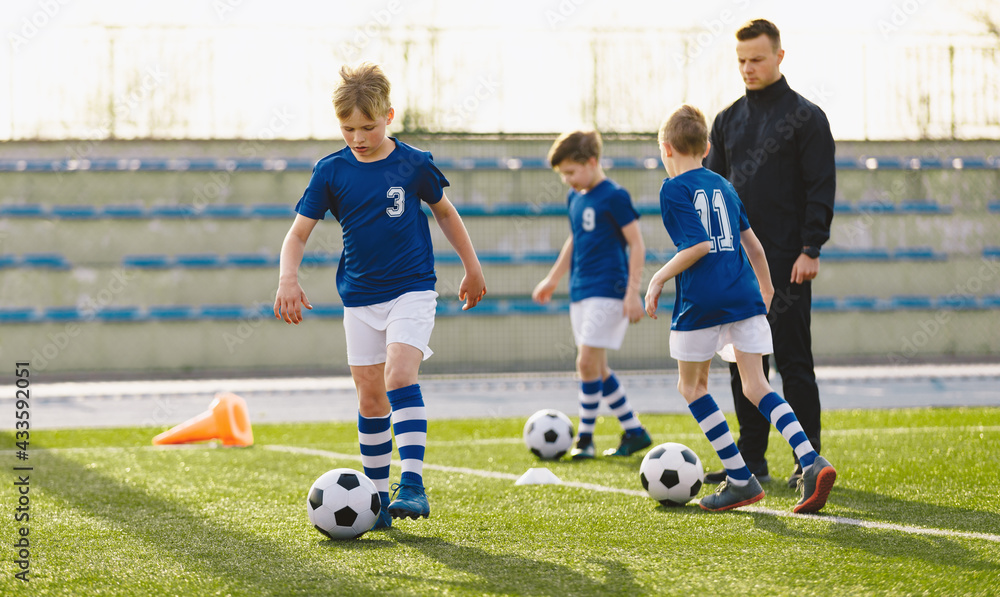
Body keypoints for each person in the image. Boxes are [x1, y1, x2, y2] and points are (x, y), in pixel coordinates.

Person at [273, 62, 487, 529]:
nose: (358, 137)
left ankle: (411, 484)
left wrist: (471, 267)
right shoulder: (329, 171)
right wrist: (288, 277)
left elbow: (446, 214)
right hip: (359, 299)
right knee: (370, 397)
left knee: (398, 373)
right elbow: (297, 235)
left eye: (368, 126)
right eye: (348, 128)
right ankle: (375, 501)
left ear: (389, 115)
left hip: (412, 289)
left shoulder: (414, 163)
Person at [645, 103, 835, 513]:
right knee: (757, 385)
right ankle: (810, 458)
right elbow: (755, 246)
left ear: (666, 148)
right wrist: (765, 289)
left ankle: (740, 478)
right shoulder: (726, 186)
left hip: (702, 302)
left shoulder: (672, 189)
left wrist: (658, 278)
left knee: (692, 387)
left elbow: (697, 246)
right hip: (746, 297)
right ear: (708, 146)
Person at [703, 19, 836, 488]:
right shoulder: (726, 120)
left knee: (794, 363)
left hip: (788, 263)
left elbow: (820, 187)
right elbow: (714, 190)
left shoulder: (807, 117)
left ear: (780, 56)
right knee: (745, 364)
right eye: (740, 61)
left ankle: (809, 461)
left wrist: (810, 247)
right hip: (737, 267)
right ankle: (751, 460)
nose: (748, 68)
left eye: (756, 59)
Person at [532, 130, 652, 459]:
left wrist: (632, 293)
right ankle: (634, 431)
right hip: (580, 290)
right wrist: (553, 278)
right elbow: (575, 241)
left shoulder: (614, 195)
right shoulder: (576, 197)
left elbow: (637, 244)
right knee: (597, 369)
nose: (567, 180)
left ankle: (584, 439)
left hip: (608, 290)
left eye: (571, 172)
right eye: (563, 175)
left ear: (592, 162)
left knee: (584, 362)